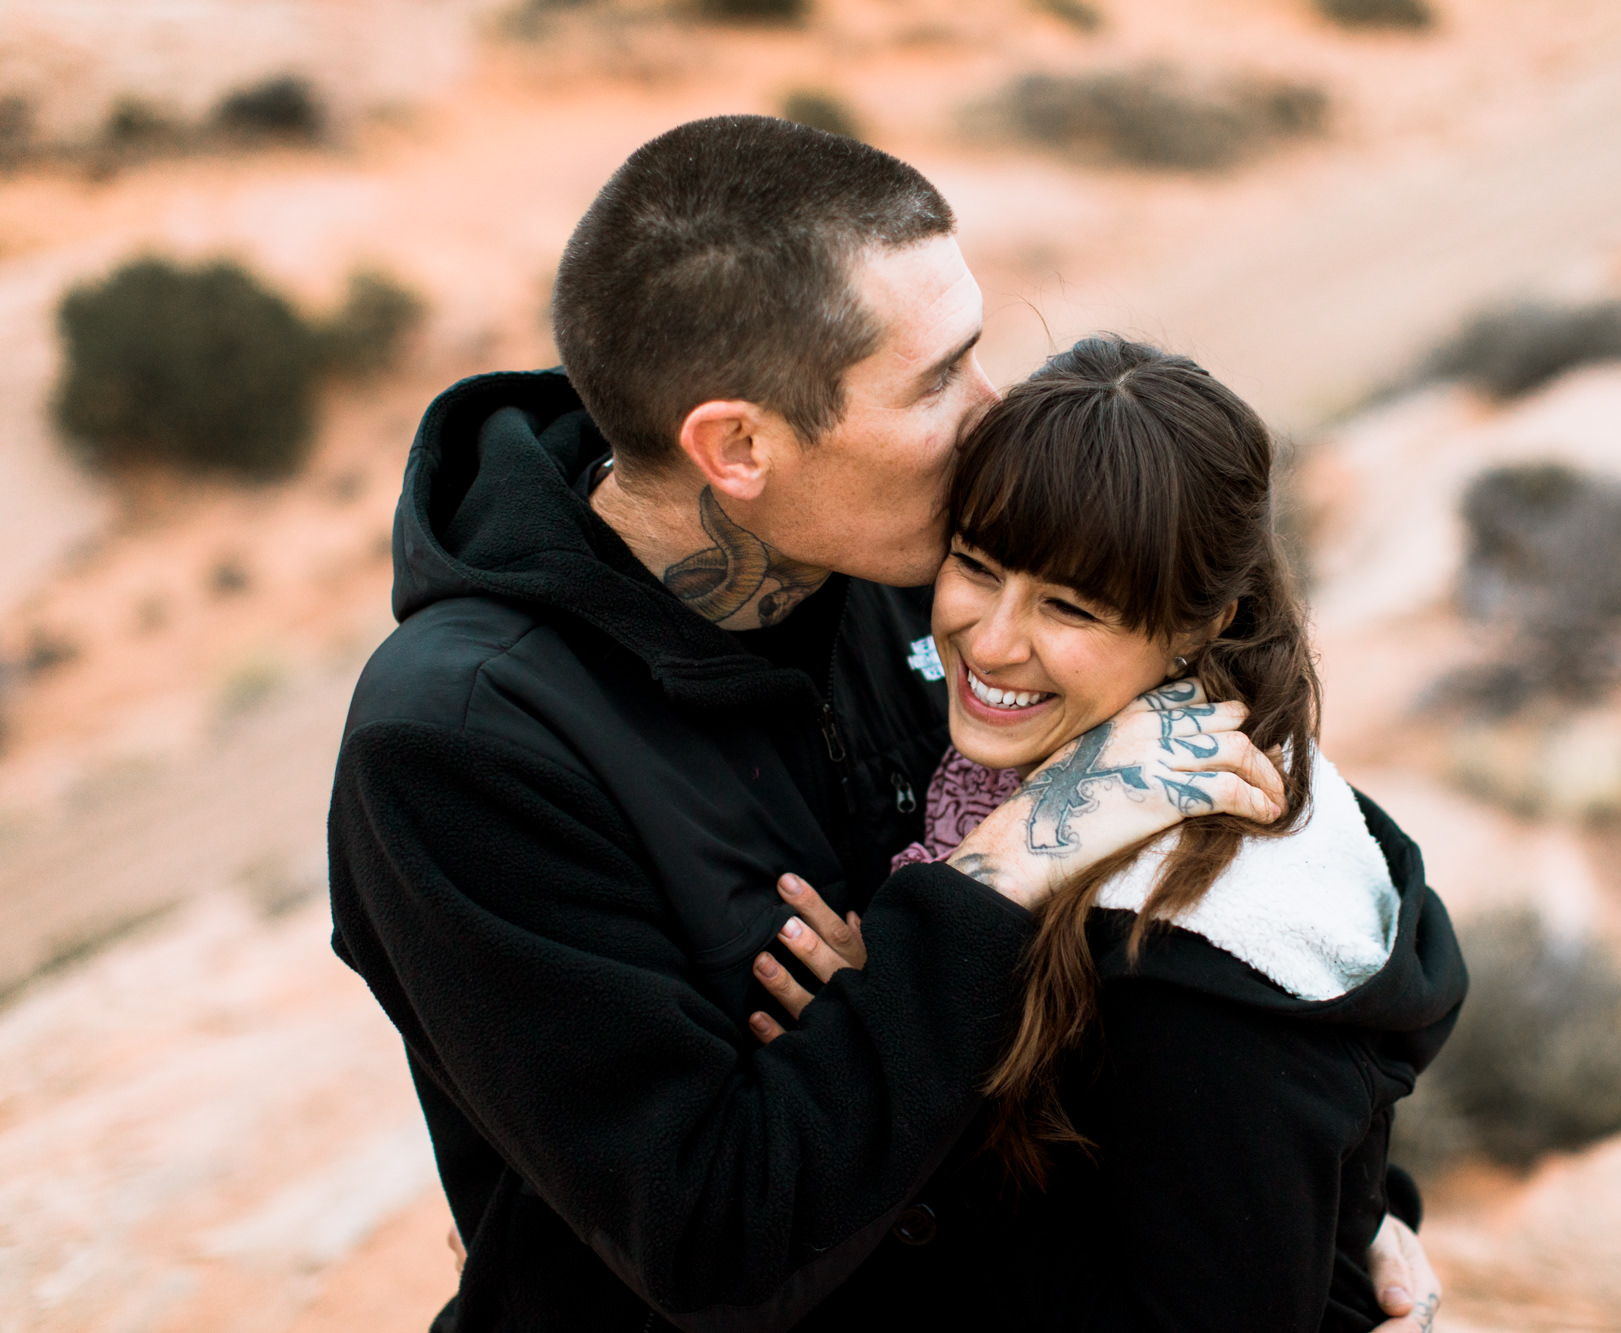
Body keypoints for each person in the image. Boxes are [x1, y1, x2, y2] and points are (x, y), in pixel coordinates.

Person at [328, 114, 1442, 1331]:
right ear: (738, 445)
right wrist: (1011, 862)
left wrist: (1336, 1205)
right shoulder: (462, 743)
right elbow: (712, 1235)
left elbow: (1259, 907)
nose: (988, 409)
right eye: (935, 379)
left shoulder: (935, 564)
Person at [752, 337, 1466, 1331]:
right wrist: (918, 986)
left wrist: (897, 1033)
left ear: (1203, 623)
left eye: (1070, 606)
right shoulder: (1041, 769)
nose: (992, 640)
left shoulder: (1201, 940)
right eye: (976, 564)